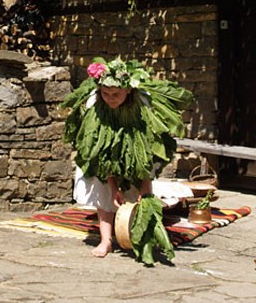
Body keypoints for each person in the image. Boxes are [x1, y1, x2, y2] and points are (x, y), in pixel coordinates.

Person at [62, 58, 193, 258]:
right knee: (102, 190)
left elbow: (148, 149)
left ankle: (144, 235)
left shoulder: (143, 104)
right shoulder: (95, 104)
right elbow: (100, 153)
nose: (110, 98)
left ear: (128, 90)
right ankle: (106, 240)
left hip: (138, 148)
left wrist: (144, 187)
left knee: (143, 192)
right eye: (106, 93)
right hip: (102, 156)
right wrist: (114, 187)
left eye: (116, 94)